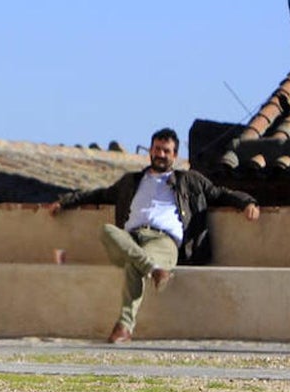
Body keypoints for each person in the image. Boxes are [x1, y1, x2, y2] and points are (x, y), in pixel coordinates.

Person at [48, 127, 259, 344]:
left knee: (133, 266)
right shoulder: (131, 181)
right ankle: (153, 270)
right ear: (150, 150)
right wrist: (65, 201)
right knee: (107, 231)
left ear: (175, 155)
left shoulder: (190, 180)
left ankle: (124, 328)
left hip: (163, 241)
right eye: (157, 149)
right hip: (130, 238)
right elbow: (99, 194)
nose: (160, 154)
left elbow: (219, 193)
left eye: (166, 151)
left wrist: (246, 202)